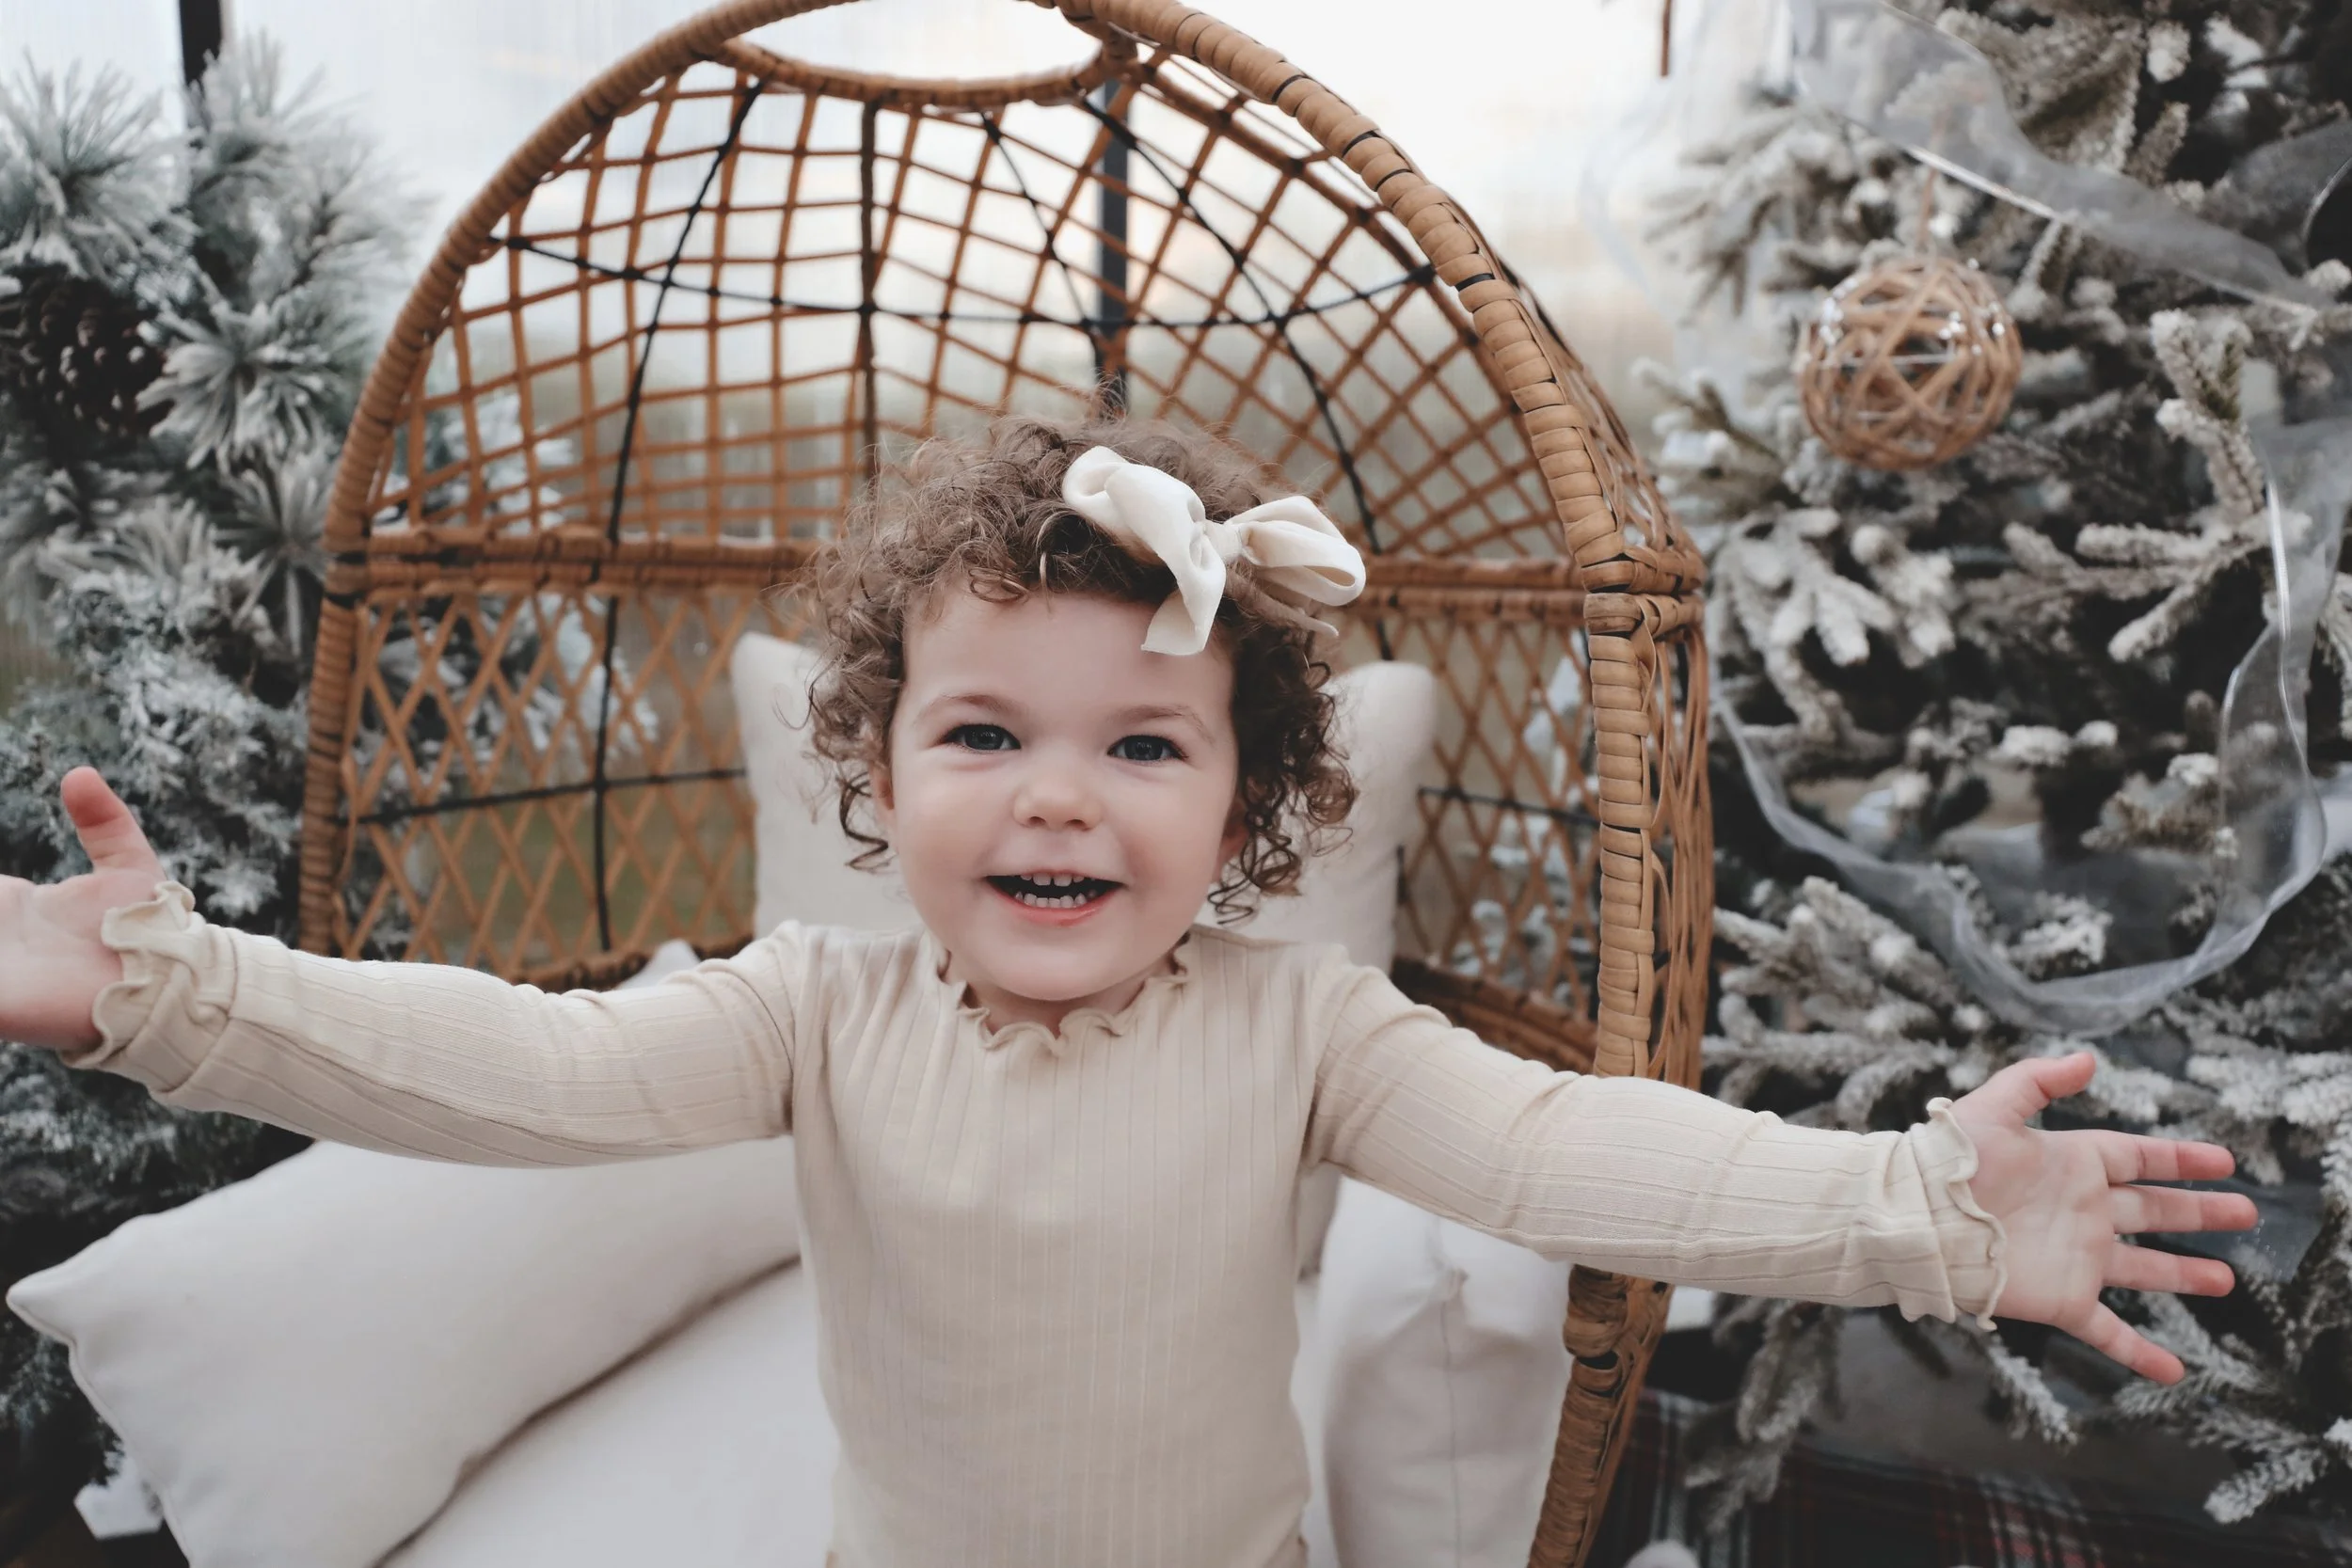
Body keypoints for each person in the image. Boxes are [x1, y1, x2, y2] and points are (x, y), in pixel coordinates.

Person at [0, 416, 2253, 1568]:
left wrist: (1925, 1209)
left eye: (1139, 743)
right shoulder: (815, 1001)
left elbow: (1576, 1148)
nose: (1053, 796)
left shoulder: (1303, 1028)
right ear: (876, 773)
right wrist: (182, 998)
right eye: (982, 734)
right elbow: (518, 1063)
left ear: (1248, 800)